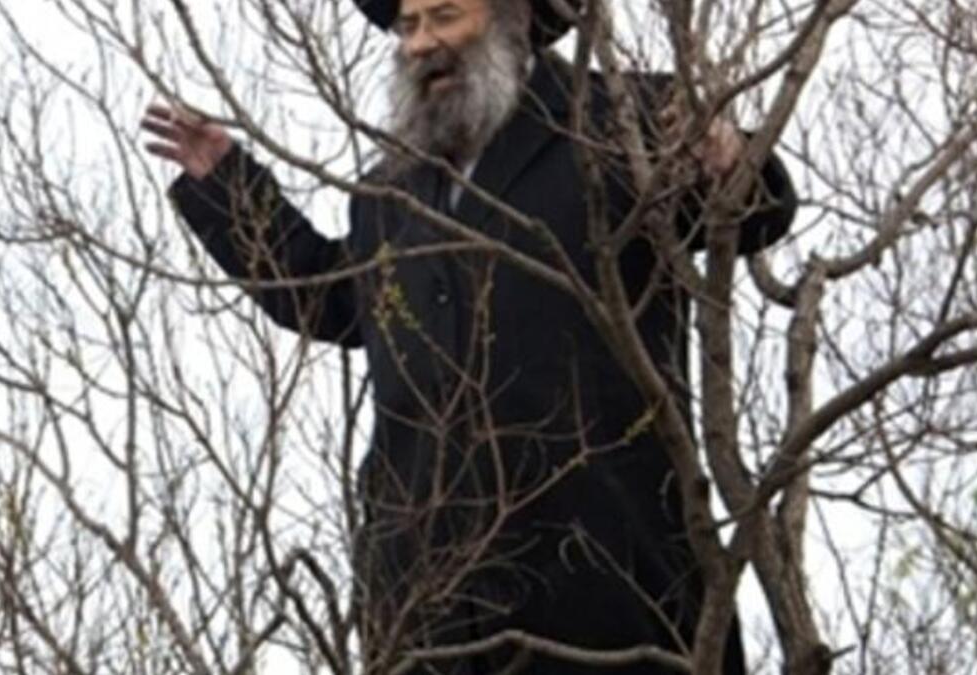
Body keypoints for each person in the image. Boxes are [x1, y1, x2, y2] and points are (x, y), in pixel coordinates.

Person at [142, 0, 796, 672]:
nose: (422, 43)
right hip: (430, 610)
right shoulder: (388, 193)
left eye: (446, 16)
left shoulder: (618, 122)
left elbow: (753, 212)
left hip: (611, 595)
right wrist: (230, 187)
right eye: (409, 26)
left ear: (512, 15)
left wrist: (728, 157)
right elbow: (331, 296)